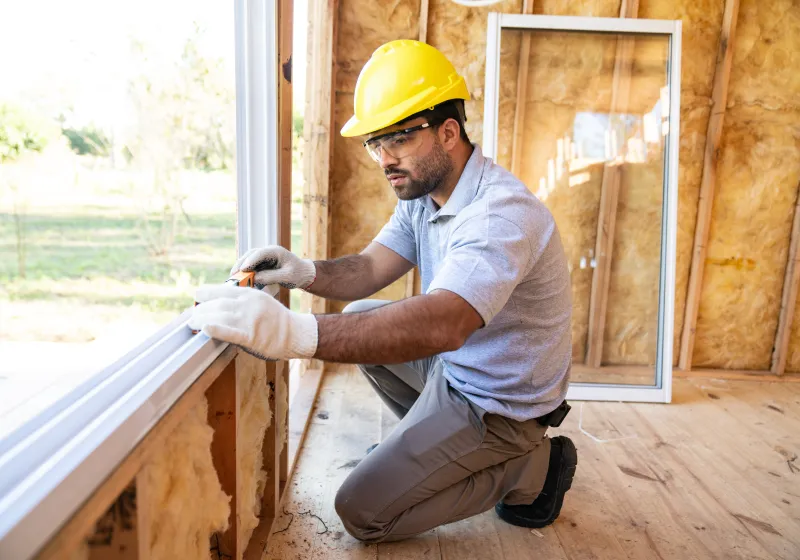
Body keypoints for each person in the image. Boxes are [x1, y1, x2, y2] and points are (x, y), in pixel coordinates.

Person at [189, 39, 576, 543]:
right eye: (376, 143)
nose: (383, 159)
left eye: (398, 139)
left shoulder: (498, 214)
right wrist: (301, 271)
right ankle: (434, 456)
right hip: (460, 373)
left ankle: (533, 466)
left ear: (448, 132)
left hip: (500, 406)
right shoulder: (425, 192)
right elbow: (370, 267)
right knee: (364, 312)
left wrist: (294, 333)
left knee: (362, 511)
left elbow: (444, 323)